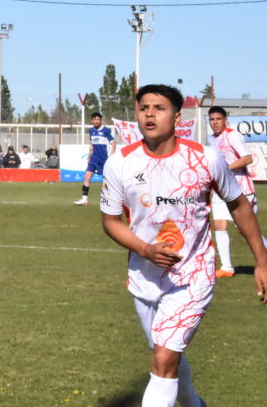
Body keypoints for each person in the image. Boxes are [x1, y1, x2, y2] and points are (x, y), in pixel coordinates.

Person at [100, 84, 267, 407]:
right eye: (143, 108)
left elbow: (238, 204)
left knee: (163, 359)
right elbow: (110, 221)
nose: (149, 114)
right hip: (144, 277)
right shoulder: (120, 163)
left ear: (177, 118)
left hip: (193, 276)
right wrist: (145, 250)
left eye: (159, 108)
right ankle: (194, 404)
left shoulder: (205, 158)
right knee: (164, 353)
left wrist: (262, 260)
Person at [206, 106, 266, 278]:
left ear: (225, 120)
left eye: (218, 119)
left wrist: (226, 168)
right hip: (221, 189)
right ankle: (227, 268)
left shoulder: (233, 135)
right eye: (212, 119)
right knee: (219, 224)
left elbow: (247, 158)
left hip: (241, 189)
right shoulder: (211, 139)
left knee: (246, 229)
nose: (215, 123)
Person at [74, 112, 115, 205]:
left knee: (107, 180)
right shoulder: (91, 131)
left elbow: (113, 143)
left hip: (103, 159)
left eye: (98, 119)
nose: (96, 121)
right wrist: (89, 155)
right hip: (93, 159)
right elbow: (92, 143)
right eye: (94, 119)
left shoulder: (106, 130)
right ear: (92, 120)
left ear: (100, 120)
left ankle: (112, 198)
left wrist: (112, 156)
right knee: (86, 177)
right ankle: (84, 199)